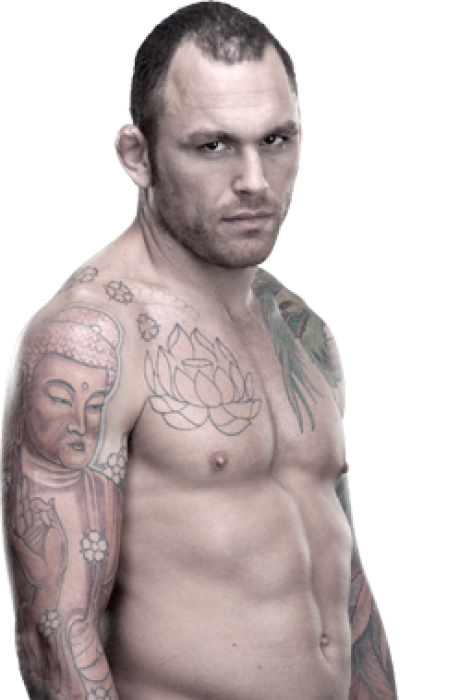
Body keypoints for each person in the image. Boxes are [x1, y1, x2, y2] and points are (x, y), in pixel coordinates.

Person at [1, 2, 398, 699]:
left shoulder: (300, 328)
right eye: (213, 146)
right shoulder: (89, 341)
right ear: (137, 156)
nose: (255, 180)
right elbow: (56, 635)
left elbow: (342, 580)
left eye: (276, 140)